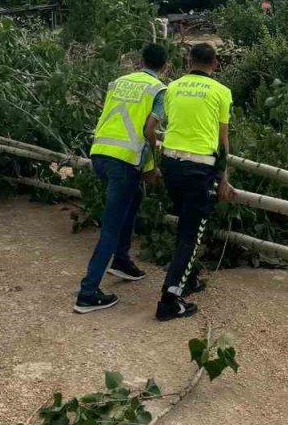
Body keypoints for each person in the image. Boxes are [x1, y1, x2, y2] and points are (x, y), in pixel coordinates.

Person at [74, 42, 169, 314]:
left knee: (134, 195)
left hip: (100, 153)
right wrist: (151, 164)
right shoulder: (159, 90)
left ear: (140, 61)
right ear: (165, 67)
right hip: (123, 162)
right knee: (110, 228)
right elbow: (149, 129)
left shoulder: (118, 82)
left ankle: (122, 259)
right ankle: (88, 292)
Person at [156, 42, 236, 321]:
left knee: (184, 224)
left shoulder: (172, 88)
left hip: (171, 164)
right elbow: (222, 139)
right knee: (192, 233)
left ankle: (187, 279)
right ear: (215, 64)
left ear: (188, 61)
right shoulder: (221, 92)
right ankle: (169, 299)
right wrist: (224, 178)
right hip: (199, 168)